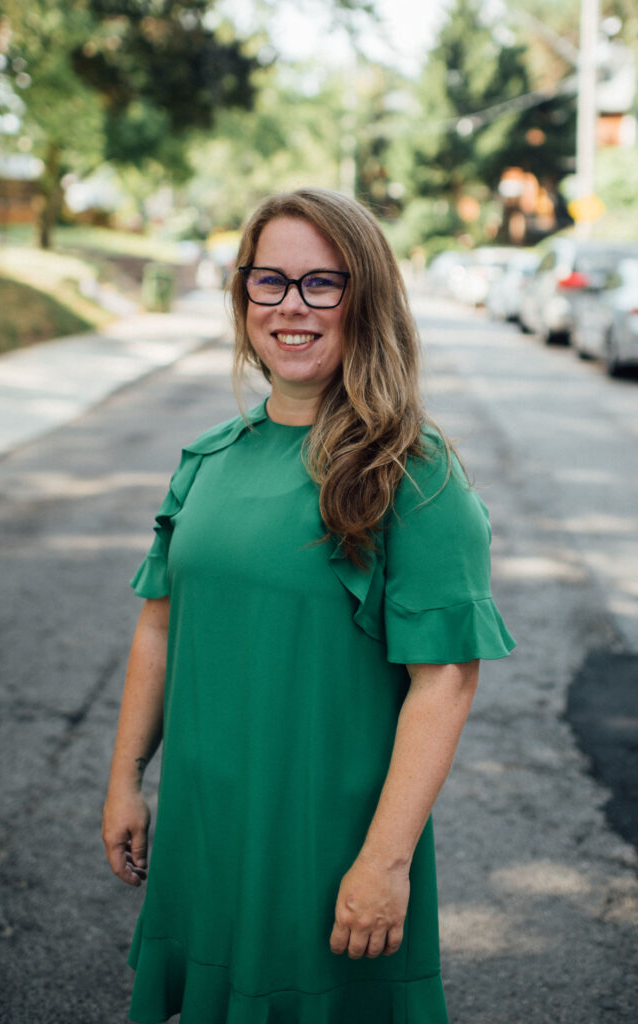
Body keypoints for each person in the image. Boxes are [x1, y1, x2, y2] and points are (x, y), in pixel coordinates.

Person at [102, 188, 515, 1024]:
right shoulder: (209, 460)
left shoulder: (413, 472)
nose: (292, 307)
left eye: (322, 284)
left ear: (365, 300)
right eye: (270, 282)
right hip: (206, 833)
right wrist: (124, 783)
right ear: (242, 296)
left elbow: (445, 681)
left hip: (325, 849)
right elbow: (159, 627)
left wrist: (385, 863)